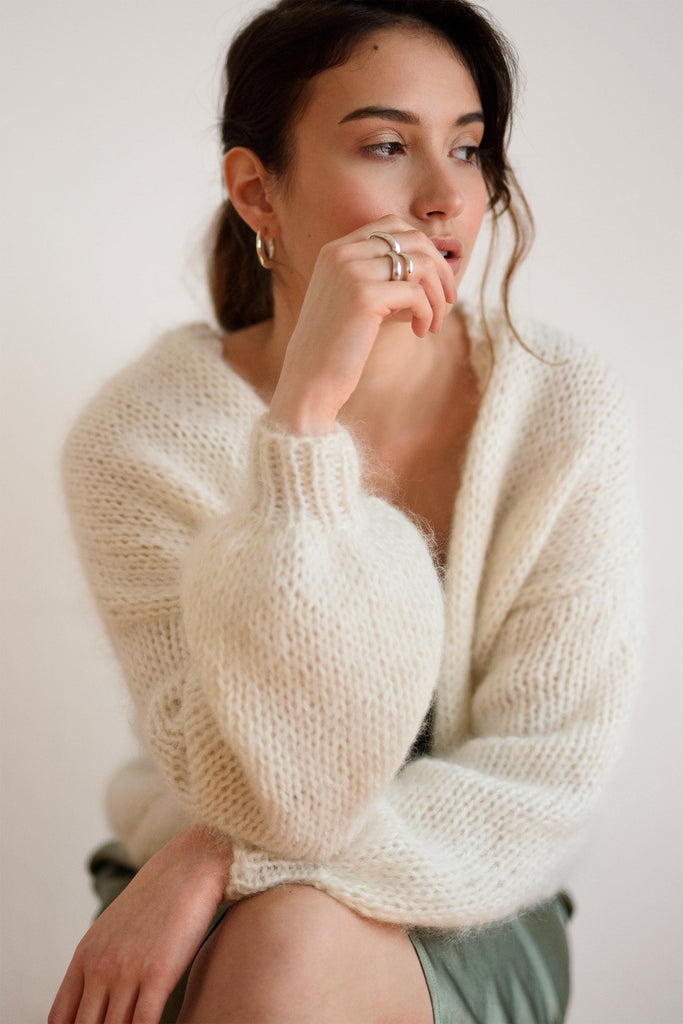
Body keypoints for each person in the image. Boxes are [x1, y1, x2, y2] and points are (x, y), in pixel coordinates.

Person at [49, 0, 642, 1021]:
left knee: (289, 936)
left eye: (466, 148)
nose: (442, 196)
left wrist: (214, 861)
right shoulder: (138, 441)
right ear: (256, 190)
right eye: (383, 144)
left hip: (468, 897)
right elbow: (268, 787)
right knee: (281, 940)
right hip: (206, 892)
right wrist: (303, 434)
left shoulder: (559, 409)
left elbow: (542, 777)